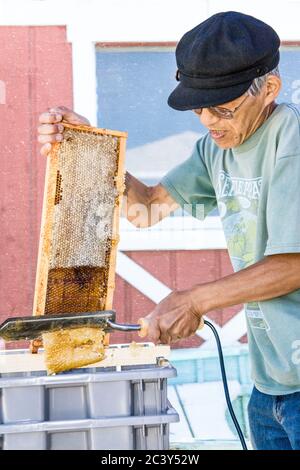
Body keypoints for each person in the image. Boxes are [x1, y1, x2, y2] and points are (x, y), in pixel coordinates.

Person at [37, 11, 300, 450]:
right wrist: (92, 149)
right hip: (269, 384)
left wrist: (193, 299)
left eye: (222, 107)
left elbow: (293, 265)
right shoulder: (216, 149)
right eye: (198, 107)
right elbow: (146, 211)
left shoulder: (292, 140)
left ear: (269, 89)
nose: (207, 121)